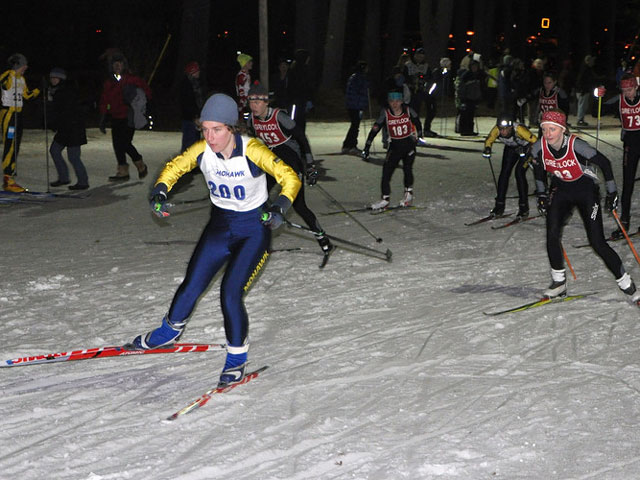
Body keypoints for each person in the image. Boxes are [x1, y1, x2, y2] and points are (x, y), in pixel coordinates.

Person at [127, 93, 301, 387]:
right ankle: (168, 332)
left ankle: (236, 358)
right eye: (205, 129)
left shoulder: (253, 150)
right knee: (191, 283)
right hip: (219, 228)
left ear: (232, 128)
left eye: (217, 129)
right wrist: (159, 191)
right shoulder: (202, 149)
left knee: (229, 293)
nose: (210, 137)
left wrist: (280, 208)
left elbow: (290, 177)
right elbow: (174, 167)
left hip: (253, 232)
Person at [531, 109, 640, 304]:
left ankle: (627, 284)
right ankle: (559, 283)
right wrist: (541, 193)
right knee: (552, 234)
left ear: (562, 130)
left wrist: (612, 192)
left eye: (553, 129)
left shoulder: (577, 145)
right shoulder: (539, 147)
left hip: (585, 192)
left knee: (597, 242)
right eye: (545, 129)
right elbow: (538, 170)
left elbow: (605, 163)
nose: (548, 134)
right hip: (561, 191)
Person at [247, 83, 333, 256]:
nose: (253, 106)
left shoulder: (279, 117)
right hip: (273, 165)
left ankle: (323, 238)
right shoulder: (252, 120)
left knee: (299, 206)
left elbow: (302, 138)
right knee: (257, 199)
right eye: (250, 102)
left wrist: (310, 164)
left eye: (257, 102)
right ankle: (261, 241)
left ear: (265, 102)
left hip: (292, 164)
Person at [362, 90, 422, 210]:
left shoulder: (408, 110)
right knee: (386, 172)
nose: (394, 104)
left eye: (397, 101)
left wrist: (418, 135)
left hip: (408, 145)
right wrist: (367, 146)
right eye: (391, 101)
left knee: (407, 168)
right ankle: (385, 199)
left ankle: (408, 193)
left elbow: (417, 122)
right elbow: (375, 129)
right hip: (394, 146)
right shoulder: (386, 113)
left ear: (401, 102)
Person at [98, 52, 151, 181]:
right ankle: (123, 171)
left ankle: (140, 164)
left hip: (129, 116)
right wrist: (103, 116)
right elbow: (105, 100)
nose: (117, 66)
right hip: (115, 116)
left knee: (125, 143)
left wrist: (142, 107)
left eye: (119, 63)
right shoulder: (109, 82)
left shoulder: (132, 79)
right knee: (117, 144)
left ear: (124, 65)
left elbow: (147, 92)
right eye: (114, 64)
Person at [601, 74, 640, 238]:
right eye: (624, 90)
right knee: (628, 183)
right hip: (630, 145)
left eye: (630, 90)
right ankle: (624, 221)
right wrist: (600, 97)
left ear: (636, 87)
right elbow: (600, 111)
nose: (627, 93)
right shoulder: (619, 99)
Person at [483, 114, 537, 219]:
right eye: (501, 129)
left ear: (511, 127)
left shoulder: (520, 130)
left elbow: (536, 141)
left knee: (519, 173)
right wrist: (487, 148)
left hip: (526, 148)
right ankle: (499, 206)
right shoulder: (496, 130)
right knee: (504, 174)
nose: (503, 132)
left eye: (506, 129)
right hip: (511, 148)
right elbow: (489, 139)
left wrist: (527, 150)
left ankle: (523, 208)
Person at [1, 53, 40, 192]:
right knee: (10, 145)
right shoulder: (8, 75)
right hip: (8, 115)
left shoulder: (21, 79)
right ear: (18, 65)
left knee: (16, 145)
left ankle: (10, 174)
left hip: (18, 115)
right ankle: (8, 179)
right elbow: (3, 84)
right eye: (24, 64)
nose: (26, 67)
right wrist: (11, 73)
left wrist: (38, 90)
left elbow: (27, 95)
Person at [47, 68, 89, 190]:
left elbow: (65, 111)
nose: (53, 80)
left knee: (73, 156)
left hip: (73, 129)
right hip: (64, 129)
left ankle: (83, 181)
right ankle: (64, 177)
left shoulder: (66, 91)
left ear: (61, 79)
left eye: (55, 78)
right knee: (54, 150)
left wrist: (55, 122)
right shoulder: (55, 91)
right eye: (51, 78)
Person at [403, 48, 437, 137]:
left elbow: (430, 78)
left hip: (424, 91)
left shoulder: (426, 66)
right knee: (414, 111)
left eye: (422, 57)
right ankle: (413, 130)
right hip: (412, 92)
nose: (420, 58)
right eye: (418, 56)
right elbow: (405, 78)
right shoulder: (408, 65)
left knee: (432, 109)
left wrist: (426, 85)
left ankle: (427, 129)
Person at [341, 61, 370, 154]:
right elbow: (361, 91)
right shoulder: (359, 78)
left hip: (352, 104)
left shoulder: (354, 77)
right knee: (355, 125)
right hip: (356, 105)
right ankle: (352, 145)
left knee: (354, 125)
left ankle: (347, 145)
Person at [179, 61, 204, 152]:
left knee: (194, 143)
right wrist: (194, 117)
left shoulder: (196, 84)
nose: (199, 73)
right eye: (196, 71)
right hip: (189, 118)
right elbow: (187, 103)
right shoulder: (187, 85)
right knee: (190, 144)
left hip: (193, 117)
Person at [287, 49, 313, 133]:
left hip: (299, 100)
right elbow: (305, 86)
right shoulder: (299, 70)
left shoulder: (295, 69)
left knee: (299, 120)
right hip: (296, 100)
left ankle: (299, 139)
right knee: (295, 120)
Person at [457, 60, 486, 136]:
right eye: (473, 66)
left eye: (476, 66)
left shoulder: (478, 75)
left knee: (471, 115)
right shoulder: (467, 75)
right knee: (465, 114)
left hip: (474, 97)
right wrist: (462, 98)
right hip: (467, 97)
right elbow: (462, 87)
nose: (475, 68)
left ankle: (470, 130)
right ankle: (463, 130)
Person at [575, 55, 597, 127]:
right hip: (582, 90)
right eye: (591, 61)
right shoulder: (585, 69)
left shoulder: (586, 68)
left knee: (583, 105)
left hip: (583, 90)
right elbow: (581, 80)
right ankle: (580, 120)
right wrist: (582, 89)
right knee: (582, 105)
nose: (593, 62)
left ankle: (581, 119)